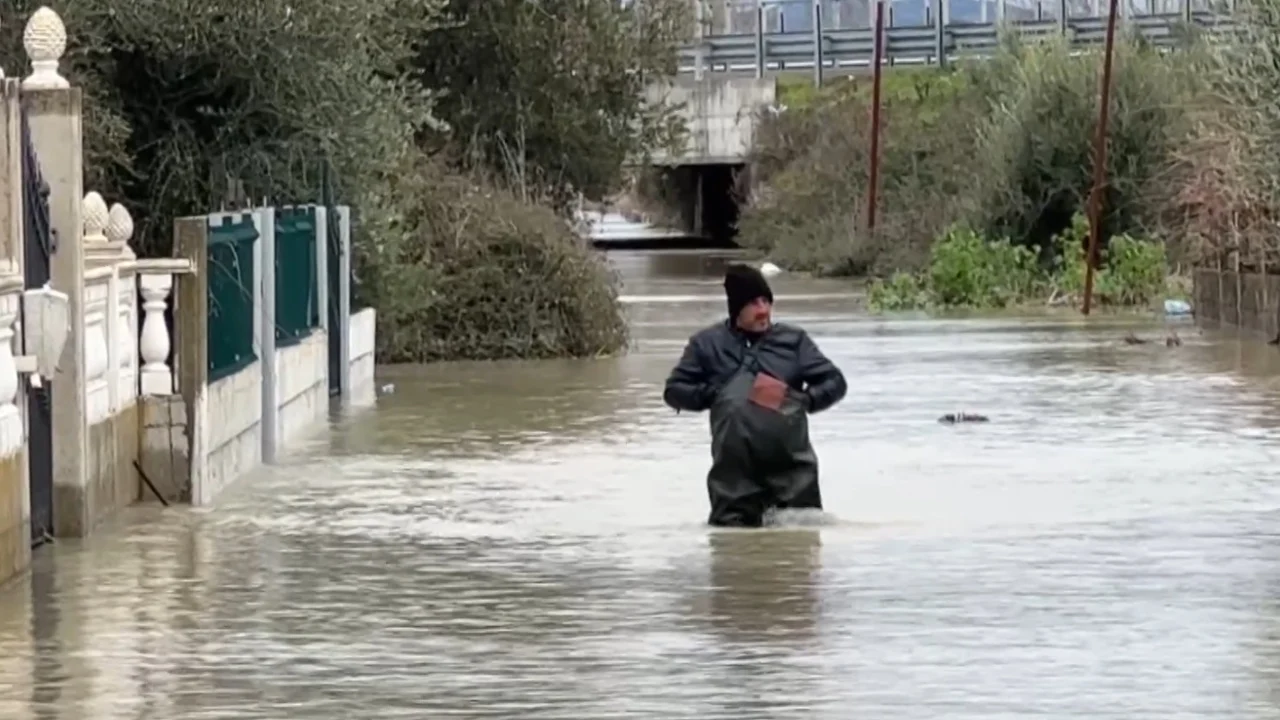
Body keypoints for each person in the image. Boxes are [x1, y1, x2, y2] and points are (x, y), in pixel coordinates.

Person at [663, 263, 848, 527]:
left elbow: (835, 382)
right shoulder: (706, 344)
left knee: (799, 539)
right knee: (733, 544)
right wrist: (716, 395)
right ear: (736, 308)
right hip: (733, 482)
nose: (763, 310)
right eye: (753, 303)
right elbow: (674, 391)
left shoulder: (793, 341)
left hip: (793, 475)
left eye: (766, 301)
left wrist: (805, 400)